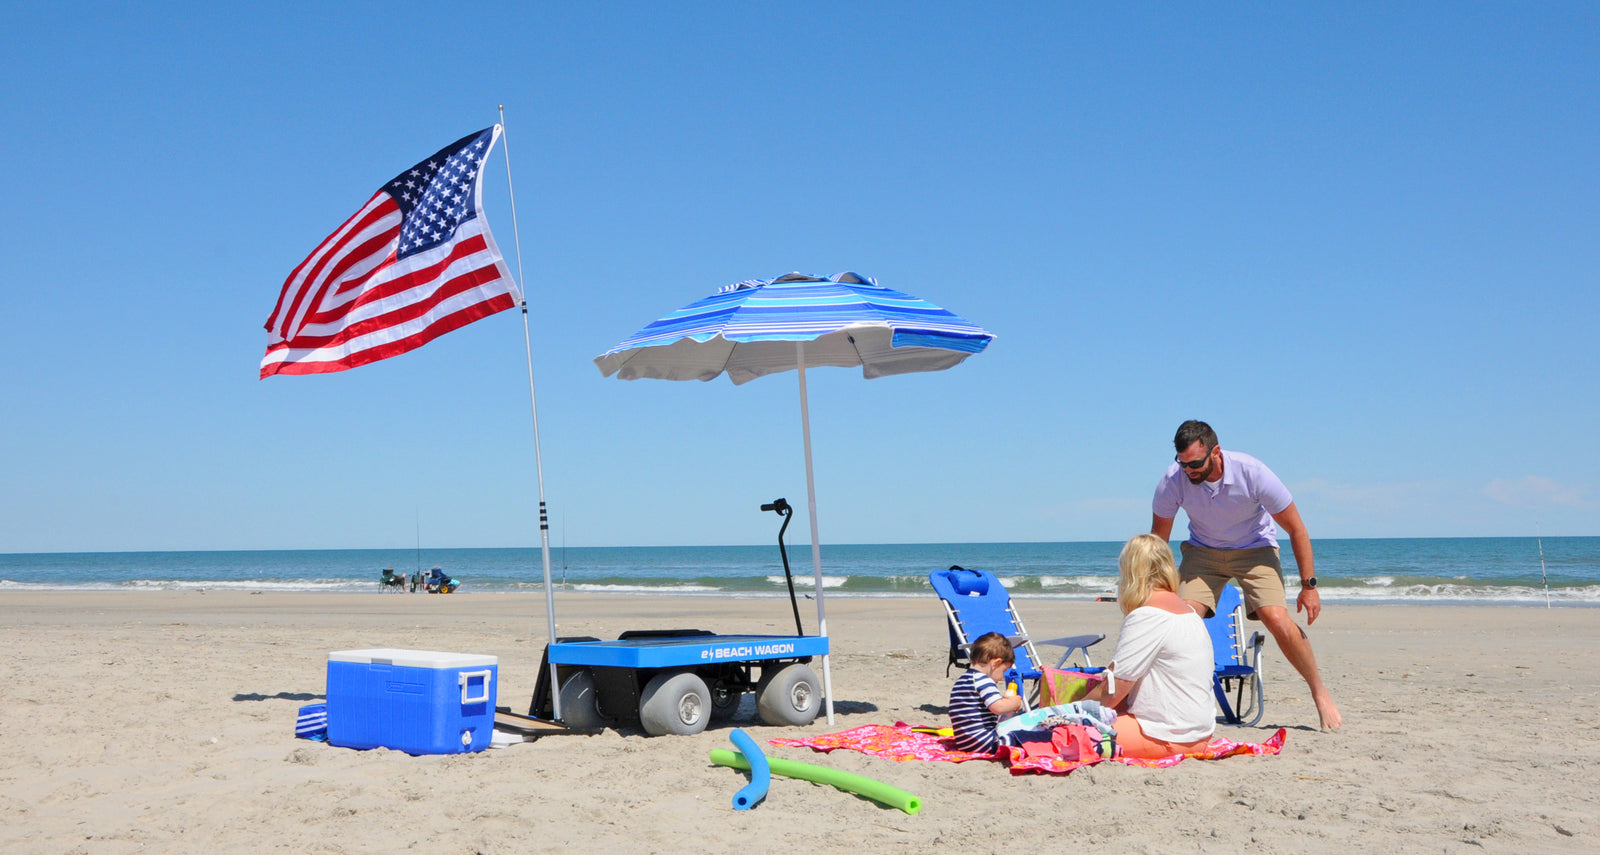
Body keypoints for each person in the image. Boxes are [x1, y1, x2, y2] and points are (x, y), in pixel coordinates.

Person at [1151, 419, 1342, 730]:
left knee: (1276, 618)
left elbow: (1296, 528)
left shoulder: (1252, 473)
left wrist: (1309, 586)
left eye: (1195, 464)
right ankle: (1173, 701)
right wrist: (1155, 591)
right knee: (1181, 618)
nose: (1189, 471)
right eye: (1182, 464)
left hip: (1255, 549)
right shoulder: (1173, 480)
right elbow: (1158, 542)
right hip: (1203, 551)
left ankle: (1319, 692)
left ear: (1216, 452)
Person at [1086, 534, 1216, 759]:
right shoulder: (1190, 613)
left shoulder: (1147, 616)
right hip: (1199, 734)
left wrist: (1071, 710)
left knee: (1061, 733)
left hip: (1165, 734)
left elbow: (1114, 689)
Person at [947, 631, 1024, 754]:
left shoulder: (962, 680)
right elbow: (999, 708)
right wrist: (1014, 703)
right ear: (995, 663)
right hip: (985, 742)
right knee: (1023, 737)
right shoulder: (983, 681)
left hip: (965, 743)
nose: (1002, 677)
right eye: (1003, 670)